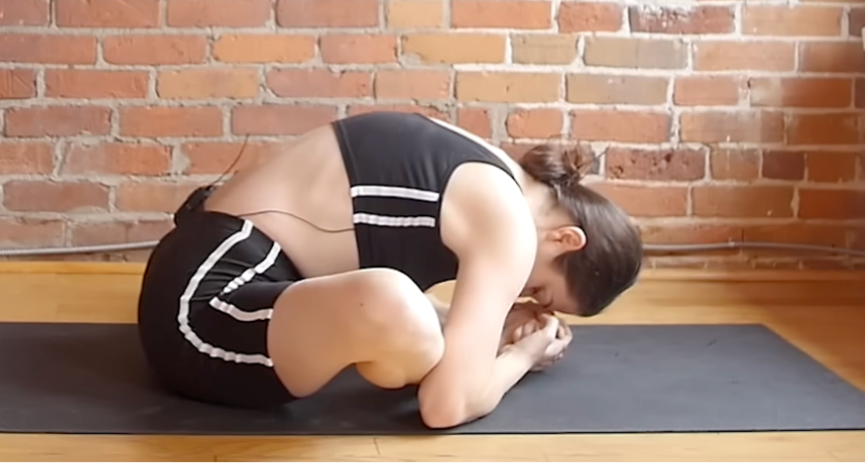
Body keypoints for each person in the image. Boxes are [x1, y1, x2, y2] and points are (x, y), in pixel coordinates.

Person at [134, 109, 644, 429]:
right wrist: (523, 355)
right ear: (565, 239)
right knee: (404, 318)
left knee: (419, 327)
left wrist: (486, 329)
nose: (522, 293)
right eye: (538, 288)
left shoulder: (490, 171)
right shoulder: (509, 223)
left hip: (215, 277)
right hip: (201, 311)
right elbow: (446, 405)